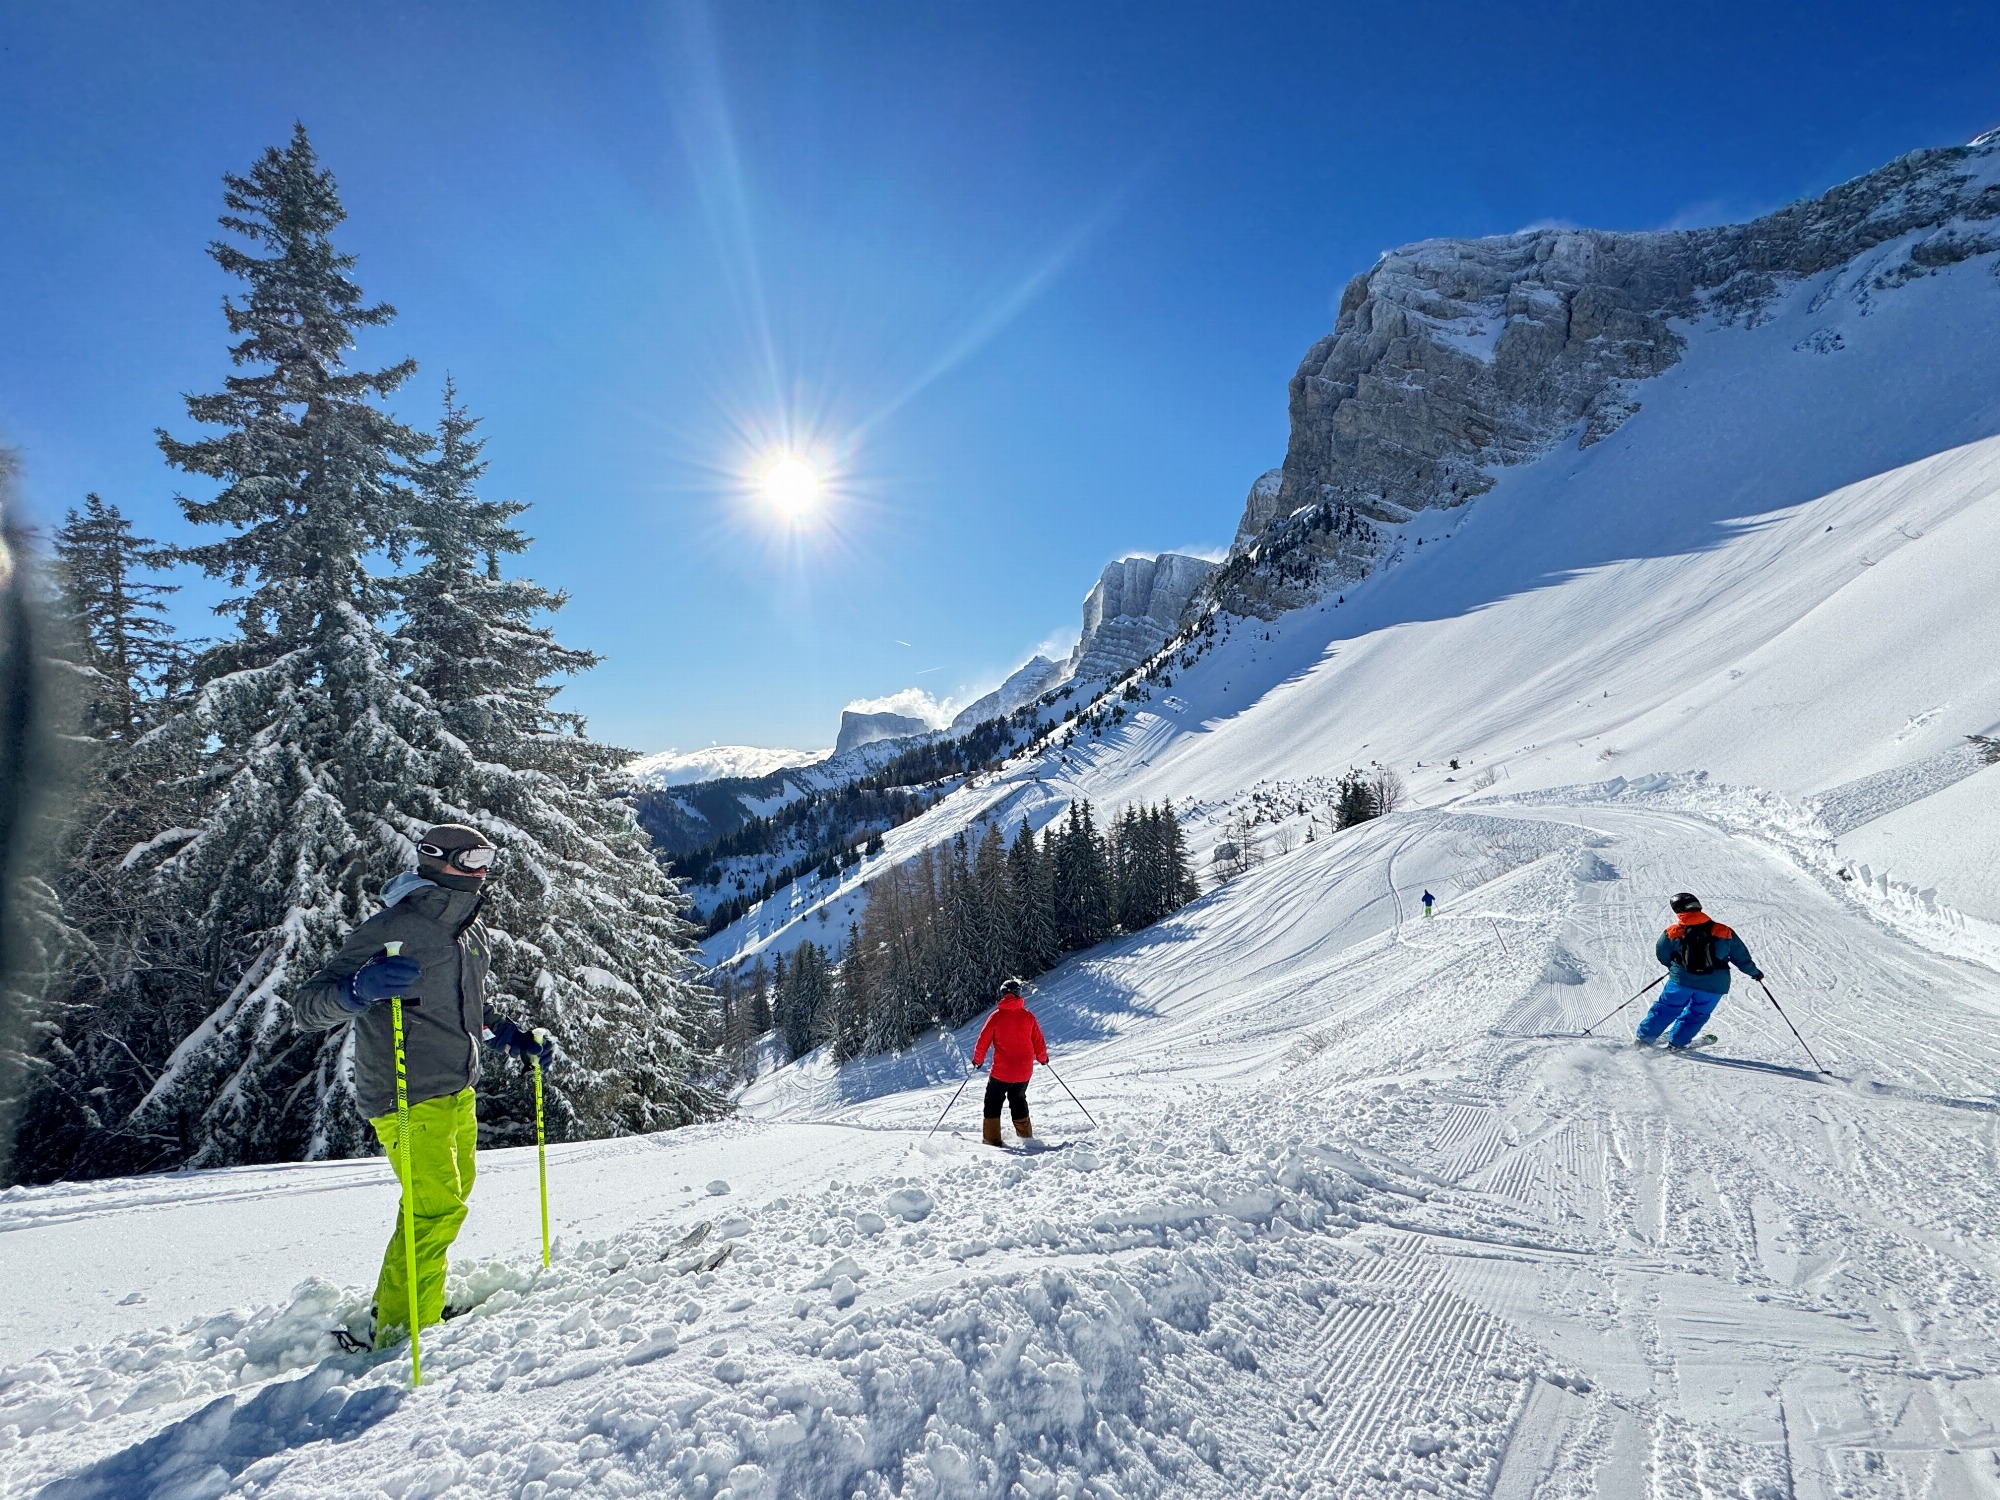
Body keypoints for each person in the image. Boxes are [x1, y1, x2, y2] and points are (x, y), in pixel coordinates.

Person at [294, 824, 551, 1348]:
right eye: (473, 856)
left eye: (489, 856)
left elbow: (464, 1008)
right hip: (404, 1093)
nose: (483, 867)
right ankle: (404, 1328)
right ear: (436, 860)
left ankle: (404, 1303)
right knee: (436, 1206)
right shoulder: (393, 927)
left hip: (458, 1086)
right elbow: (306, 1008)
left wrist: (509, 1035)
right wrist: (356, 989)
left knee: (437, 1201)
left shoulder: (469, 929)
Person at [1638, 892, 1763, 1050]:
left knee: (1666, 1008)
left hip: (1681, 981)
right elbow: (1741, 957)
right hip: (1714, 985)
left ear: (1677, 911)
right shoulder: (1723, 930)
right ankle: (1678, 1042)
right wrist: (1754, 973)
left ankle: (1645, 1038)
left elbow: (1661, 953)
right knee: (1697, 1014)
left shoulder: (1673, 932)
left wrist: (1674, 967)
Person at [972, 978, 1049, 1147]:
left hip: (1002, 1072)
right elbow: (1038, 1040)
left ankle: (992, 1139)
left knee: (992, 1100)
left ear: (1003, 995)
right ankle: (1027, 1138)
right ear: (1018, 994)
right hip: (1024, 1071)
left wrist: (977, 1061)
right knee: (1018, 1099)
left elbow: (983, 1041)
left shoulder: (996, 1017)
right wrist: (1043, 1058)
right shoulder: (1028, 1016)